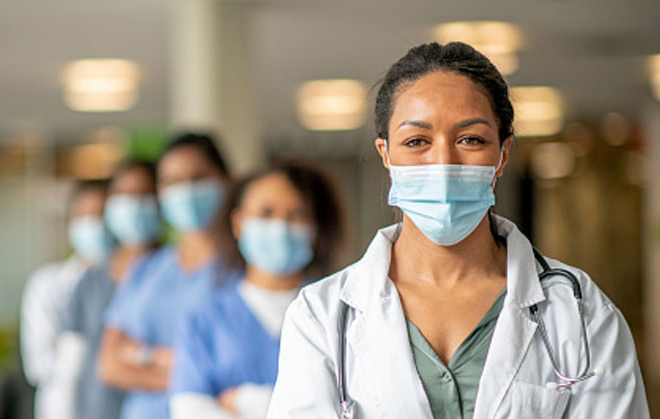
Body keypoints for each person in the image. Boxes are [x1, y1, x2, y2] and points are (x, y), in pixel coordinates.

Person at [267, 42, 650, 419]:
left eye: (471, 140)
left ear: (503, 154)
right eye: (416, 141)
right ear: (387, 155)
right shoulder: (321, 317)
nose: (443, 162)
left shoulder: (581, 313)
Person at [169, 162, 345, 419]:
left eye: (296, 215)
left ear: (315, 228)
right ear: (239, 223)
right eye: (266, 213)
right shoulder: (204, 320)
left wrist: (244, 402)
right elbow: (189, 410)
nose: (280, 227)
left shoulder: (338, 312)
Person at [98, 132, 240, 419]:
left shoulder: (242, 272)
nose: (186, 191)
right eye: (172, 182)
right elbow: (109, 365)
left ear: (227, 181)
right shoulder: (145, 270)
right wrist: (190, 377)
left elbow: (235, 372)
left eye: (198, 178)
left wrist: (141, 355)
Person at [59, 161, 161, 419]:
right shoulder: (90, 283)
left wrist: (134, 357)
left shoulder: (174, 275)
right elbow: (70, 371)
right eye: (124, 195)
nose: (133, 204)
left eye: (143, 194)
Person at [20, 180, 107, 419]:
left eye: (101, 215)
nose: (94, 224)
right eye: (84, 216)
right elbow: (40, 364)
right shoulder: (47, 284)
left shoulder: (130, 283)